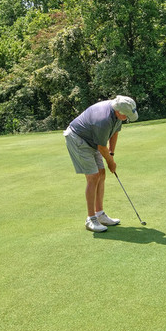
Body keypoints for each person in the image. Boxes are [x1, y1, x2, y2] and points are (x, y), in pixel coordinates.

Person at [64, 95, 138, 232]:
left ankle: (100, 214)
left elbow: (115, 133)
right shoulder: (103, 120)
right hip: (77, 138)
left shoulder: (118, 113)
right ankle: (90, 219)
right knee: (93, 176)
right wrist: (111, 162)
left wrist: (112, 155)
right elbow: (101, 147)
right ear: (118, 112)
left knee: (101, 174)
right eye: (126, 116)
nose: (127, 118)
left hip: (91, 139)